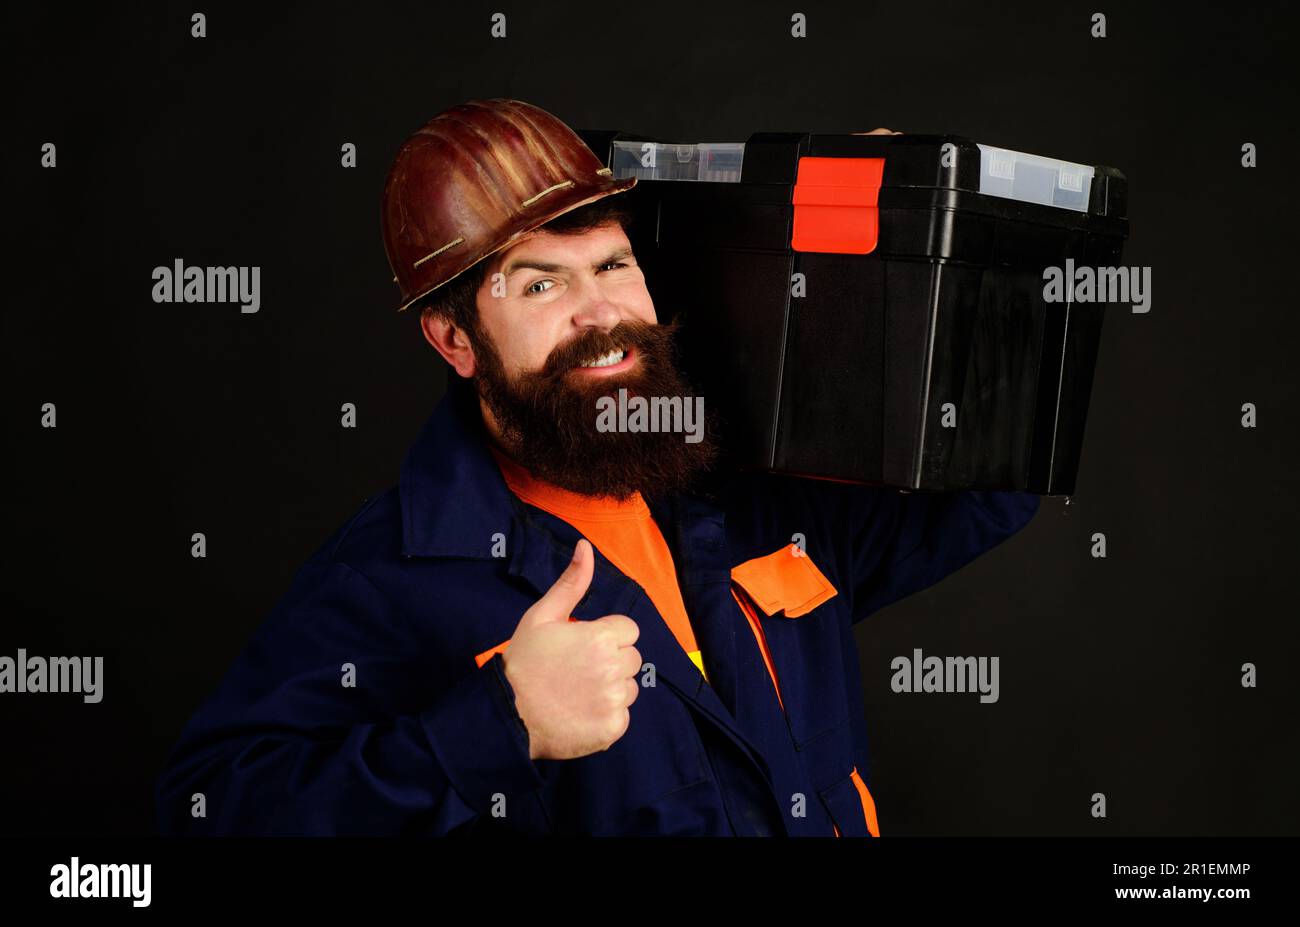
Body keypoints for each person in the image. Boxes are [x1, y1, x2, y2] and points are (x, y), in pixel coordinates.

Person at [154, 99, 1039, 836]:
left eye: (613, 263)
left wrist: (916, 266)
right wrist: (499, 726)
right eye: (540, 285)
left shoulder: (755, 501)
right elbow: (205, 808)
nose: (599, 312)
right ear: (455, 338)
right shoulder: (394, 573)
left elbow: (993, 483)